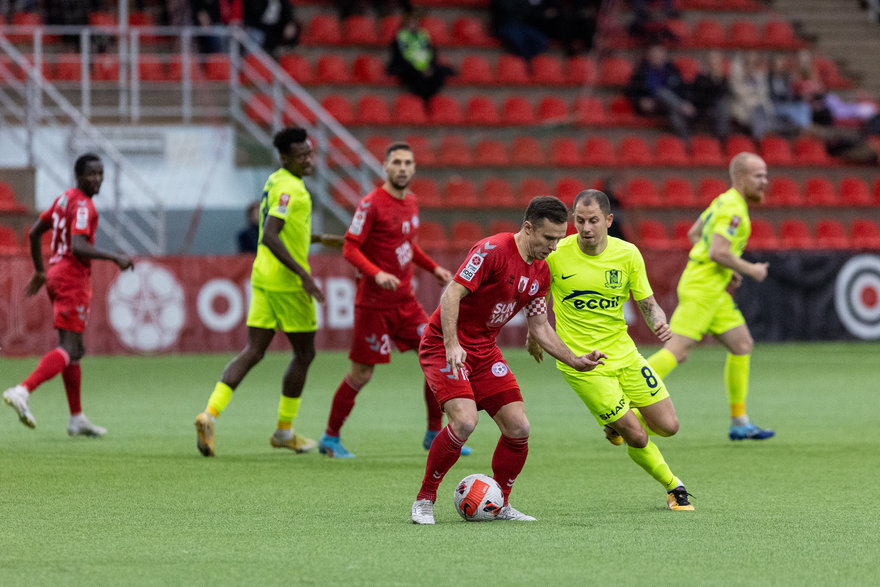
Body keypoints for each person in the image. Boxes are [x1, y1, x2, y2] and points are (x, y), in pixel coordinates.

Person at [410, 196, 607, 525]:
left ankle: (500, 502)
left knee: (519, 427)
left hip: (485, 351)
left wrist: (574, 360)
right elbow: (452, 294)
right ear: (528, 228)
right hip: (444, 346)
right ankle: (425, 499)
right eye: (549, 238)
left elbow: (540, 326)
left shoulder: (541, 272)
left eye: (560, 238)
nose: (555, 246)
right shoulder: (493, 250)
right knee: (464, 422)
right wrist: (452, 343)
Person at [527, 189, 694, 510]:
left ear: (608, 220)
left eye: (592, 221)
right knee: (638, 436)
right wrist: (535, 336)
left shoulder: (628, 254)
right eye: (579, 221)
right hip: (582, 364)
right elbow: (536, 297)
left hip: (625, 354)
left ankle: (615, 421)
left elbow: (647, 302)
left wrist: (659, 321)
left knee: (668, 427)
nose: (585, 228)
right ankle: (675, 487)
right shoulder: (556, 252)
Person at [194, 127, 343, 457]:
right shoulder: (292, 189)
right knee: (305, 354)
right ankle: (283, 431)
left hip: (262, 276)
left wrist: (316, 239)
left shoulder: (275, 180)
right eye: (301, 155)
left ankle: (209, 413)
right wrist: (304, 274)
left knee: (254, 350)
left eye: (310, 153)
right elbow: (271, 236)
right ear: (285, 157)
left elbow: (280, 229)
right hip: (286, 283)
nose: (309, 160)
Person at [318, 142, 472, 458]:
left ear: (414, 168)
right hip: (373, 306)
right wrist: (376, 274)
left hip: (407, 304)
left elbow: (407, 245)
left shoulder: (411, 203)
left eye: (408, 163)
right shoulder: (370, 204)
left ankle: (433, 433)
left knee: (439, 356)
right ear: (386, 167)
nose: (402, 168)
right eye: (397, 162)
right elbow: (350, 248)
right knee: (362, 374)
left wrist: (434, 268)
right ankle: (330, 438)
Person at [3, 153, 134, 437]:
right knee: (70, 348)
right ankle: (22, 390)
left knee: (75, 351)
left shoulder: (63, 200)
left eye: (100, 174)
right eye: (91, 174)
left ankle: (77, 418)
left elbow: (35, 232)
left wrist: (40, 271)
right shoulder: (85, 206)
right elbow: (78, 247)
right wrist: (115, 257)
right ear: (79, 176)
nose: (97, 179)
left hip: (55, 275)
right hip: (71, 279)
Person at [647, 152, 774, 441]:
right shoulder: (734, 209)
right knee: (677, 351)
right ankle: (626, 401)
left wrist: (729, 269)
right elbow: (717, 251)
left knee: (742, 344)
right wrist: (750, 269)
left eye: (765, 175)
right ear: (741, 177)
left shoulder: (723, 201)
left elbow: (695, 234)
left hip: (714, 289)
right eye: (759, 176)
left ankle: (740, 420)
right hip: (702, 287)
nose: (764, 182)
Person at [625, 44, 695, 138]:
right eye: (654, 53)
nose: (657, 55)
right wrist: (640, 100)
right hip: (653, 104)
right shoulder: (641, 71)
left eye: (659, 53)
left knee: (674, 113)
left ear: (664, 54)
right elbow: (630, 91)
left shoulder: (672, 69)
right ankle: (682, 107)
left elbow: (681, 88)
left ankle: (685, 140)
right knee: (661, 92)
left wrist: (686, 100)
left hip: (670, 105)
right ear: (649, 55)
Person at [386, 9, 455, 103]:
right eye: (411, 22)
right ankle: (421, 99)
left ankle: (431, 97)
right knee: (415, 73)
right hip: (408, 66)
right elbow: (401, 57)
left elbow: (432, 53)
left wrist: (429, 67)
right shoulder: (399, 38)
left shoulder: (423, 36)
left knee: (441, 71)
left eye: (415, 22)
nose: (413, 24)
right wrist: (420, 67)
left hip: (424, 65)